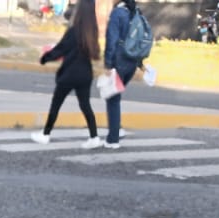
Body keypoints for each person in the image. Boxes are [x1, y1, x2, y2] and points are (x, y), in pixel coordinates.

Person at [31, 1, 100, 147]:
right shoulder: (92, 31)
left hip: (69, 73)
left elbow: (61, 49)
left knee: (56, 104)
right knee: (85, 105)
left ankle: (45, 134)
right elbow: (95, 53)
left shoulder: (74, 31)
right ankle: (94, 137)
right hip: (85, 74)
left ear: (79, 12)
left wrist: (44, 58)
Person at [102, 0, 144, 147]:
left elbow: (111, 40)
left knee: (112, 99)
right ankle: (117, 129)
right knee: (115, 97)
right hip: (132, 63)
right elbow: (140, 39)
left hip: (119, 61)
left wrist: (108, 63)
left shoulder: (117, 14)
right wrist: (140, 63)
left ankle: (113, 139)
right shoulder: (136, 13)